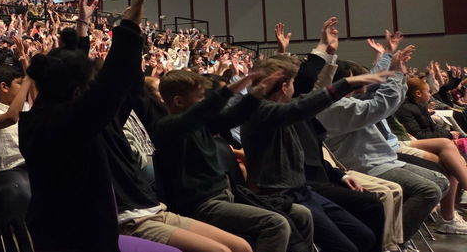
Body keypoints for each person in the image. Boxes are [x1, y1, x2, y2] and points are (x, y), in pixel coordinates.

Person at [20, 0, 238, 252]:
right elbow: (112, 80)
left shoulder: (65, 113)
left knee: (239, 248)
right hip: (83, 234)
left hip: (144, 209)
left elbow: (77, 72)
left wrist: (83, 26)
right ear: (78, 90)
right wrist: (130, 23)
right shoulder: (64, 123)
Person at [240, 52, 390, 252]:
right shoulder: (262, 113)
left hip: (302, 191)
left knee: (363, 236)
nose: (296, 87)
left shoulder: (280, 107)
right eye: (292, 82)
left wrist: (326, 51)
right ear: (285, 87)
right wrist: (346, 82)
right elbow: (308, 103)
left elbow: (313, 95)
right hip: (278, 197)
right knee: (345, 247)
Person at [154, 67, 313, 252]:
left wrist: (257, 93)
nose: (205, 101)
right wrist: (231, 89)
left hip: (227, 196)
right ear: (178, 101)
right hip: (202, 206)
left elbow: (234, 115)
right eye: (200, 97)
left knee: (302, 214)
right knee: (275, 224)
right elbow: (196, 115)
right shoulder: (168, 128)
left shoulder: (201, 124)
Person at [316, 40, 454, 246]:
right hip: (363, 165)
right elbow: (382, 105)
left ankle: (394, 232)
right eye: (360, 78)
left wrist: (389, 58)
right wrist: (396, 72)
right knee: (429, 190)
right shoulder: (337, 107)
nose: (367, 80)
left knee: (441, 181)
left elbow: (376, 88)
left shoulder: (350, 100)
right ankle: (390, 243)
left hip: (381, 159)